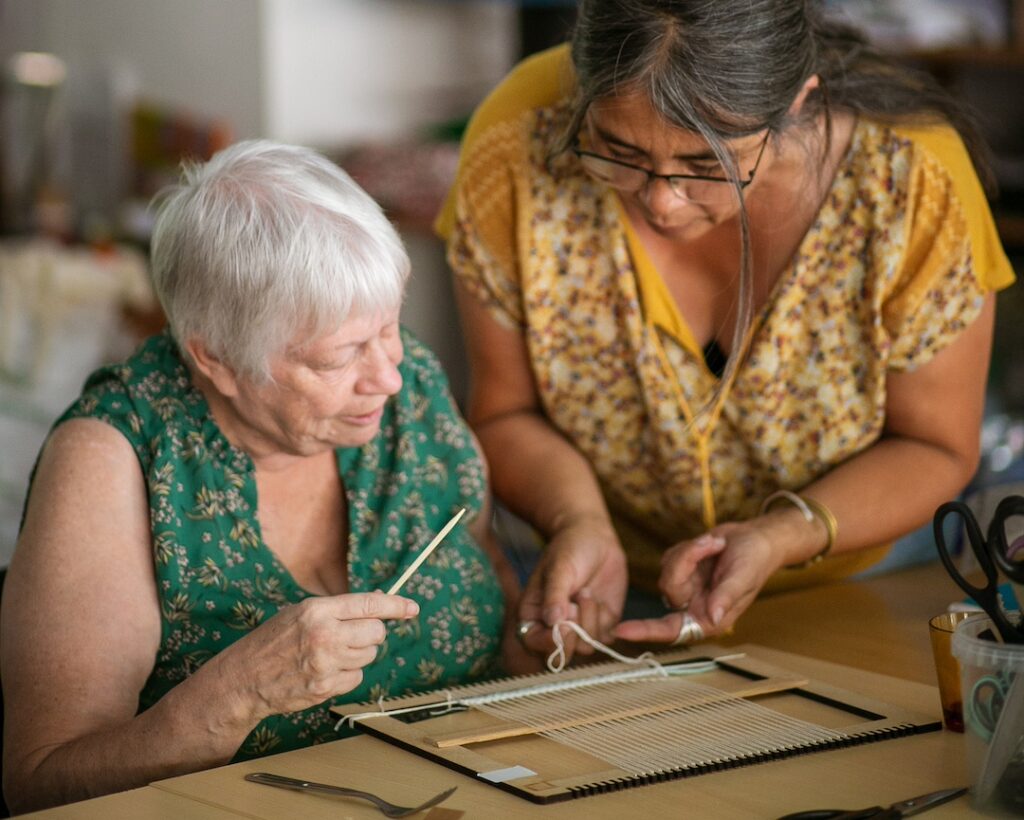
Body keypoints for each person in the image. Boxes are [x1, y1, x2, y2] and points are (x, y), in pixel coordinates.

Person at [436, 0, 1016, 659]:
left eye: (708, 165)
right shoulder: (519, 139)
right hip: (608, 590)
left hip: (855, 585)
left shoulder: (910, 180)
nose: (660, 200)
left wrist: (783, 535)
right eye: (616, 151)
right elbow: (504, 410)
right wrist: (579, 522)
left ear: (798, 103)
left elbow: (935, 445)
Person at [1, 140, 520, 814]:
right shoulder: (114, 460)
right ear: (214, 357)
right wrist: (242, 693)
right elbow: (40, 784)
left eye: (389, 328)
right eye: (338, 358)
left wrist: (555, 624)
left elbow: (497, 600)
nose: (388, 375)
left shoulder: (407, 386)